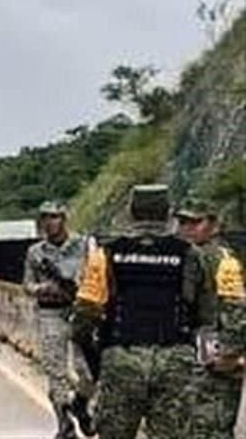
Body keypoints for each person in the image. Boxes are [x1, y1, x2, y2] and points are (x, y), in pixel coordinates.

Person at [71, 184, 243, 439]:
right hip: (176, 362)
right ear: (167, 213)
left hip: (121, 359)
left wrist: (93, 352)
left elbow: (86, 311)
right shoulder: (192, 254)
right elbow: (208, 313)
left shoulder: (106, 252)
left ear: (130, 212)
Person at [23, 200, 96, 439]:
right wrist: (44, 288)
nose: (49, 223)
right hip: (51, 313)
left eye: (54, 217)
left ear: (64, 219)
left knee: (88, 371)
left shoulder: (84, 245)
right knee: (56, 372)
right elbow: (27, 285)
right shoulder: (36, 252)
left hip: (79, 312)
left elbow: (96, 274)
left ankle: (80, 404)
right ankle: (64, 424)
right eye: (44, 217)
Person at [176, 196, 246, 439]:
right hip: (197, 352)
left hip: (216, 355)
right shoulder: (194, 255)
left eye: (195, 222)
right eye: (183, 222)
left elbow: (237, 310)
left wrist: (229, 355)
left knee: (213, 428)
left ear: (214, 225)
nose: (186, 228)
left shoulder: (220, 260)